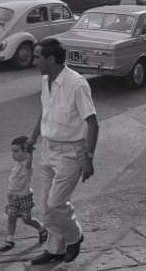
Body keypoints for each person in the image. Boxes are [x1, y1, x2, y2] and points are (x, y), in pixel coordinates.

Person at [26, 38, 99, 265]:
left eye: (37, 57)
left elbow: (93, 123)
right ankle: (55, 250)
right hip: (48, 147)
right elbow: (45, 111)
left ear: (50, 59)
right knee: (46, 205)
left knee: (56, 203)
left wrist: (88, 157)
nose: (34, 61)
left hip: (71, 152)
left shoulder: (76, 84)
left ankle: (75, 237)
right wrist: (33, 137)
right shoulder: (46, 80)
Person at [0, 135, 48, 252]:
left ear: (25, 152)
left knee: (27, 220)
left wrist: (30, 152)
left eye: (16, 151)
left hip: (24, 198)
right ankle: (9, 240)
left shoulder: (27, 166)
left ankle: (42, 229)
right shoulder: (17, 164)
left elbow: (29, 162)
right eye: (12, 151)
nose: (13, 154)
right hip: (13, 197)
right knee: (11, 218)